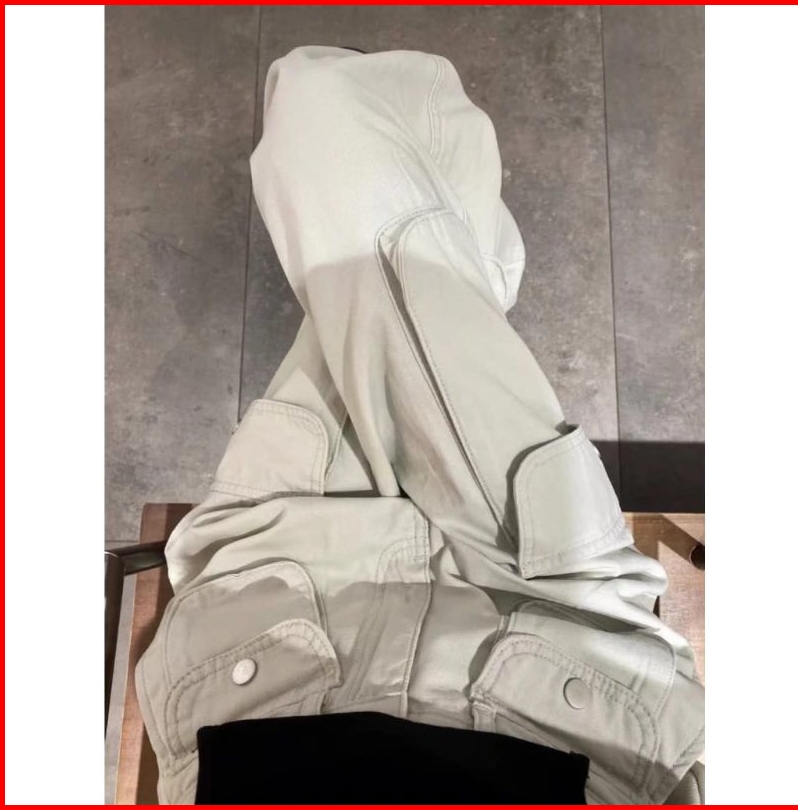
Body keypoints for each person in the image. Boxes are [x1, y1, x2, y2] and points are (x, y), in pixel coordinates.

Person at [135, 46, 705, 805]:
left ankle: (474, 272)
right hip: (556, 643)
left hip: (276, 618)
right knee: (319, 106)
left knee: (323, 118)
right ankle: (470, 272)